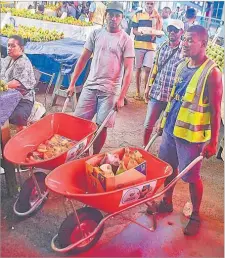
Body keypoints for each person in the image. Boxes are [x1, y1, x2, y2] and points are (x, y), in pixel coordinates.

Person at [147, 25, 223, 236]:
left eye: (191, 40)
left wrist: (213, 141)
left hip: (191, 136)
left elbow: (216, 111)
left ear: (204, 44)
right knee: (168, 168)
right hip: (172, 128)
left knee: (191, 177)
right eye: (185, 40)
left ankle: (196, 214)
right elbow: (174, 98)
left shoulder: (212, 73)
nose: (185, 44)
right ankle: (166, 201)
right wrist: (163, 125)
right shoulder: (182, 66)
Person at [67, 2, 134, 154]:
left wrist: (122, 96)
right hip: (90, 86)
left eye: (117, 15)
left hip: (110, 91)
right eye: (111, 15)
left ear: (122, 18)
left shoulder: (126, 40)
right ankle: (81, 153)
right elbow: (83, 59)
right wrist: (72, 83)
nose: (114, 18)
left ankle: (94, 155)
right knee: (81, 123)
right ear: (105, 16)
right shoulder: (95, 34)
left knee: (101, 126)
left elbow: (129, 70)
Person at [143, 19, 184, 147]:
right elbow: (155, 68)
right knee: (148, 124)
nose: (172, 32)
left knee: (167, 128)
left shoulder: (184, 51)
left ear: (181, 32)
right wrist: (148, 87)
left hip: (172, 98)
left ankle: (164, 152)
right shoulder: (162, 47)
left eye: (175, 30)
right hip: (157, 92)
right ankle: (145, 147)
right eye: (170, 29)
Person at [1, 35, 36, 128]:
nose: (9, 48)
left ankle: (19, 135)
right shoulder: (8, 58)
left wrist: (2, 86)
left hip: (23, 99)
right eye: (8, 45)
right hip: (8, 95)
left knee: (17, 116)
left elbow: (15, 84)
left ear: (21, 48)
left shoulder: (23, 62)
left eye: (13, 46)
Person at [132, 1, 162, 101]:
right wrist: (141, 34)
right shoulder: (138, 14)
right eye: (148, 3)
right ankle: (137, 91)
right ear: (145, 3)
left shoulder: (157, 16)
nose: (149, 5)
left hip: (151, 46)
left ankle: (146, 92)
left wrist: (158, 33)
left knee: (148, 70)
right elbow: (134, 31)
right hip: (139, 45)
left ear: (155, 4)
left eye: (151, 4)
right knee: (138, 69)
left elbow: (159, 31)